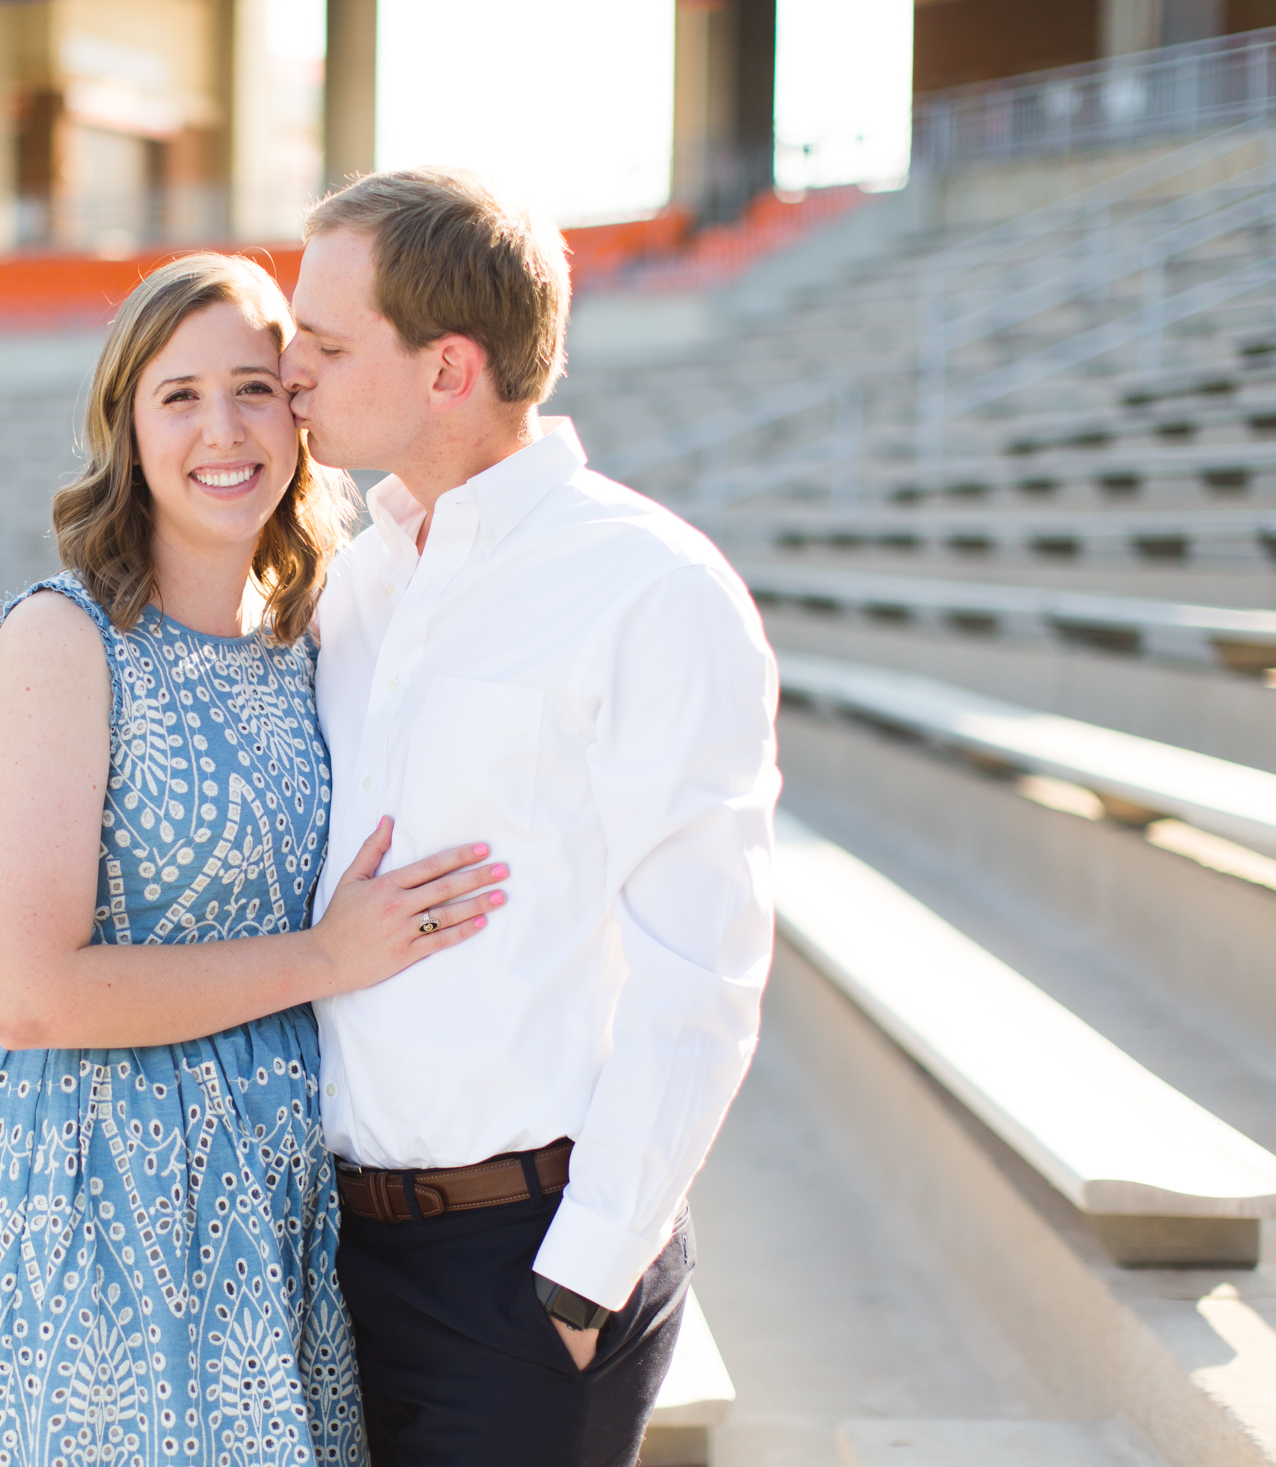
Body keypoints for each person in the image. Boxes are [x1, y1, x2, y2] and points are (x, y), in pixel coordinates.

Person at [0, 251, 509, 1466]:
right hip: (98, 1197)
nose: (222, 430)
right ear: (125, 422)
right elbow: (28, 994)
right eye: (178, 395)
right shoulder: (62, 642)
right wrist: (328, 956)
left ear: (300, 410)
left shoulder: (311, 639)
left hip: (278, 1202)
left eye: (254, 387)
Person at [278, 168, 781, 1467]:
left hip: (524, 1265)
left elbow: (703, 967)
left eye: (326, 344)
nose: (290, 368)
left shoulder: (649, 587)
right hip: (334, 1253)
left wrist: (581, 1278)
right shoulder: (360, 580)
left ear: (449, 368)